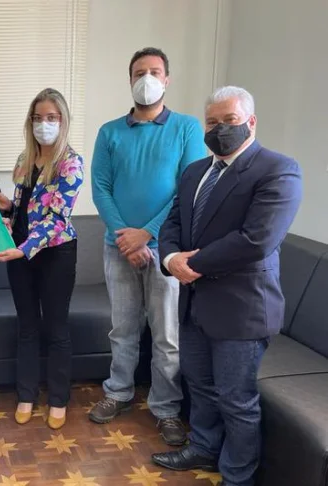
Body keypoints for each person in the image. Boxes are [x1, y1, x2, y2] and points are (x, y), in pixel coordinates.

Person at [152, 86, 302, 485]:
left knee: (237, 401)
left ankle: (237, 476)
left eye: (229, 120)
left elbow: (257, 239)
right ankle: (204, 449)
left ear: (251, 122)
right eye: (212, 122)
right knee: (200, 386)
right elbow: (172, 223)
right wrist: (169, 258)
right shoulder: (194, 172)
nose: (220, 129)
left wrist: (191, 264)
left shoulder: (278, 169)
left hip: (241, 310)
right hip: (194, 303)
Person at [89, 47, 206, 445]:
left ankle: (167, 408)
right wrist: (126, 235)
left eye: (155, 71)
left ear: (167, 79)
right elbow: (101, 189)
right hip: (118, 247)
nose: (147, 78)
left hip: (167, 250)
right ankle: (118, 392)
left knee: (167, 335)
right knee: (122, 329)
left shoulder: (187, 128)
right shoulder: (109, 132)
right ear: (130, 80)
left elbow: (188, 188)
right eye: (140, 72)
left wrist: (148, 233)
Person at [0, 88, 84, 430]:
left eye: (51, 118)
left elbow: (57, 218)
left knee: (56, 328)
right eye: (38, 118)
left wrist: (24, 247)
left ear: (63, 121)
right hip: (21, 253)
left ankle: (58, 399)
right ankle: (26, 394)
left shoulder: (71, 162)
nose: (44, 124)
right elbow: (26, 209)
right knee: (27, 326)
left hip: (55, 254)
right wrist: (7, 208)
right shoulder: (24, 160)